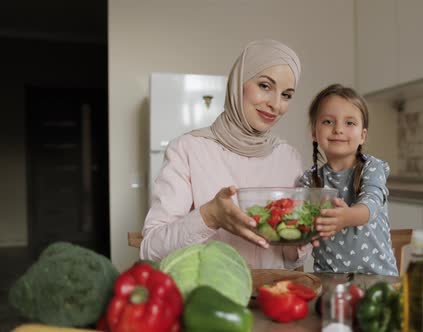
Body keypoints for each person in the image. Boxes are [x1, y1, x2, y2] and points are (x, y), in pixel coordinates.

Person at [140, 40, 311, 270]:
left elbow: (292, 258)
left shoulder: (289, 158)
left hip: (273, 299)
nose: (276, 104)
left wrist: (305, 237)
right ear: (239, 83)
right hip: (208, 298)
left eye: (287, 95)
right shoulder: (187, 149)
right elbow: (151, 248)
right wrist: (209, 216)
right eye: (265, 86)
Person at [299, 84, 398, 276]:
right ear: (314, 132)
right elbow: (302, 225)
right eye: (328, 121)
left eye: (349, 123)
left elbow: (372, 203)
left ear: (362, 135)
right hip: (328, 281)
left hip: (378, 279)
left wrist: (346, 217)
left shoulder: (372, 167)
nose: (338, 129)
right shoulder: (309, 180)